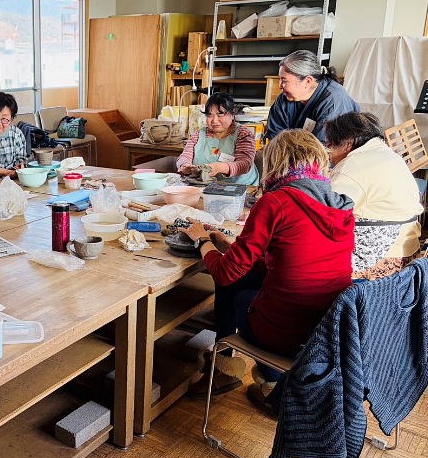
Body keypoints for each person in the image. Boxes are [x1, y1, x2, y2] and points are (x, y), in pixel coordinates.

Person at [181, 129, 355, 411]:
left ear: (275, 163)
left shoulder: (276, 201)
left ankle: (246, 373)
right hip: (325, 329)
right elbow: (295, 260)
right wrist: (231, 246)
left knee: (231, 286)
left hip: (286, 334)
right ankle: (259, 379)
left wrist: (202, 240)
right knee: (244, 276)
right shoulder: (339, 205)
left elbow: (225, 273)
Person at [325, 112, 424, 280]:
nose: (329, 153)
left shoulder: (351, 167)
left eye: (330, 145)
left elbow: (326, 213)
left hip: (384, 258)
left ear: (347, 144)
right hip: (407, 249)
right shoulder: (386, 154)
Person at [266, 50, 359, 143]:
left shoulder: (333, 101)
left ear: (308, 81)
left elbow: (323, 148)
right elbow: (274, 138)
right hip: (296, 150)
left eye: (284, 81)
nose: (280, 86)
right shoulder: (285, 98)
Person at [176, 93, 259, 185]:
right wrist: (184, 165)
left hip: (241, 187)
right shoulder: (198, 135)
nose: (214, 120)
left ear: (232, 114)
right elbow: (184, 156)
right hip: (204, 186)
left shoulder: (243, 134)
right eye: (210, 115)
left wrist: (218, 167)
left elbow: (244, 164)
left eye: (220, 114)